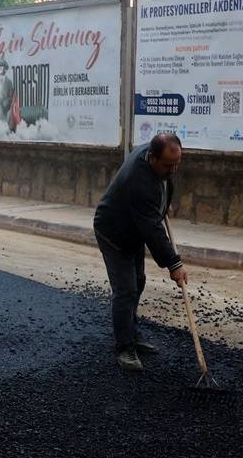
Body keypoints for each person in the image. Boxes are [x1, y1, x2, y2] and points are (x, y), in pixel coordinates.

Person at [92, 133, 190, 372]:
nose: (173, 170)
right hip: (114, 232)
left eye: (176, 164)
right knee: (126, 289)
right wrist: (174, 264)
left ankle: (131, 332)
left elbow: (155, 206)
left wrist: (163, 205)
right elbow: (153, 230)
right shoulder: (138, 182)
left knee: (139, 280)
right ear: (153, 158)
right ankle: (124, 347)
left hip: (133, 228)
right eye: (168, 165)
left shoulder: (155, 155)